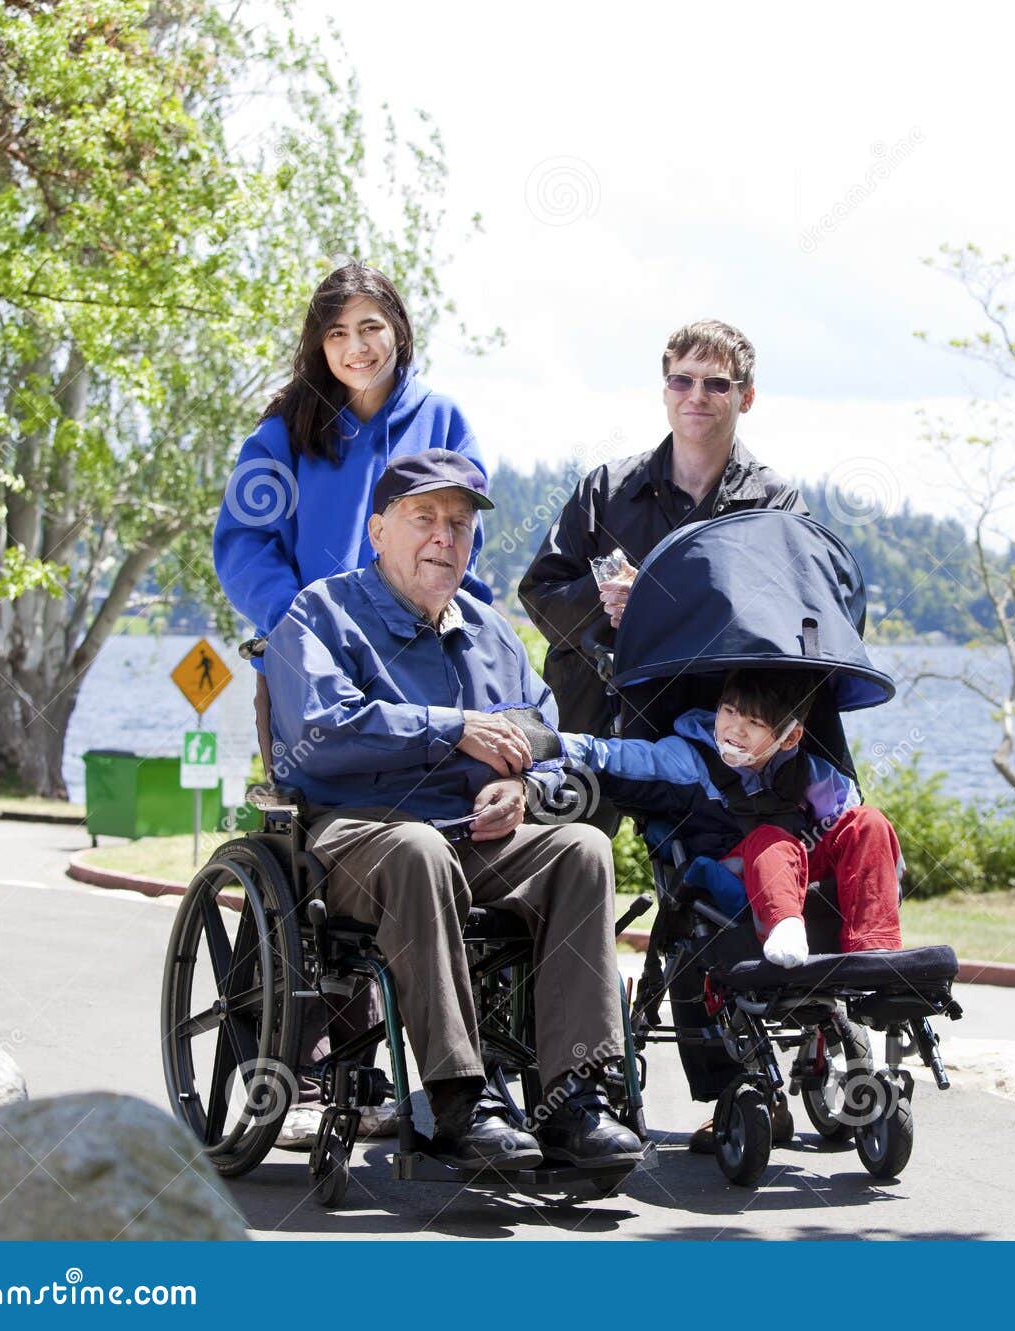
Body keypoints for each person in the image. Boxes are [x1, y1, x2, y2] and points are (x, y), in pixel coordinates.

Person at [263, 449, 643, 1170]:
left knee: (582, 850)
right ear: (378, 530)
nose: (445, 536)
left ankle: (576, 1098)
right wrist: (449, 727)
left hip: (475, 833)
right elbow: (317, 736)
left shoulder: (489, 629)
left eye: (461, 524)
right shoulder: (321, 614)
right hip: (361, 834)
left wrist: (525, 789)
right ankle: (463, 1096)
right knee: (417, 849)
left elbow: (544, 730)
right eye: (425, 518)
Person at [212, 263, 490, 1143]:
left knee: (427, 826)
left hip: (415, 651)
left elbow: (458, 540)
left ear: (398, 329)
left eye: (371, 327)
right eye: (337, 333)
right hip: (313, 666)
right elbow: (242, 543)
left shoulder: (440, 418)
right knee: (316, 845)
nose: (356, 347)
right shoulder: (288, 430)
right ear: (319, 345)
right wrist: (298, 621)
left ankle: (435, 1065)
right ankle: (296, 1058)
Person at [518, 320, 805, 747]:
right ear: (665, 390)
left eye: (717, 384)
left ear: (747, 398)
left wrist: (653, 602)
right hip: (597, 722)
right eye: (682, 379)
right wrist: (607, 597)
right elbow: (541, 597)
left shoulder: (774, 506)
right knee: (572, 819)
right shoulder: (605, 490)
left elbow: (790, 629)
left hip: (714, 735)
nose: (696, 395)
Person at [560, 668, 904, 967]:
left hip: (798, 869)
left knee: (869, 820)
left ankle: (875, 952)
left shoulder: (811, 774)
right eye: (729, 712)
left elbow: (851, 830)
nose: (735, 730)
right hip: (737, 871)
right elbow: (614, 756)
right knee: (771, 838)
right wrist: (554, 745)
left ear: (790, 737)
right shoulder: (688, 760)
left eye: (754, 723)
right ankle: (783, 925)